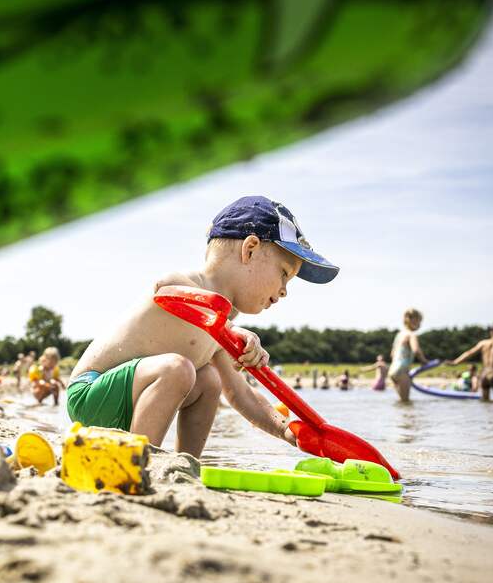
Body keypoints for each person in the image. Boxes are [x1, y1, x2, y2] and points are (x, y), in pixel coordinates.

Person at [66, 195, 338, 458]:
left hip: (132, 399)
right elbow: (164, 287)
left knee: (210, 379)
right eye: (284, 274)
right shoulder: (189, 283)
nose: (284, 292)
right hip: (90, 393)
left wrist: (286, 431)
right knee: (178, 368)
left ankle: (185, 463)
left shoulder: (222, 324)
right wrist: (230, 329)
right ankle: (142, 460)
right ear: (250, 249)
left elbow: (240, 393)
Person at [388, 309, 427, 401]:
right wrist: (424, 361)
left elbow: (392, 354)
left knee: (402, 403)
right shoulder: (411, 335)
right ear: (413, 320)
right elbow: (416, 350)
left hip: (393, 371)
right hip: (402, 371)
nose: (420, 325)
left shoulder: (399, 335)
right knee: (406, 403)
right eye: (419, 321)